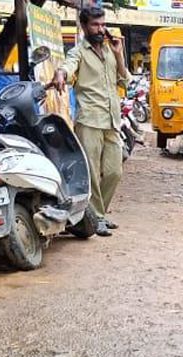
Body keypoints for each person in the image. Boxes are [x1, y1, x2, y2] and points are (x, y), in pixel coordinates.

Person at [53, 7, 130, 237]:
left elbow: (124, 79)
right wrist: (60, 74)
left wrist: (118, 54)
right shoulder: (78, 52)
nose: (100, 29)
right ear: (84, 27)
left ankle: (98, 215)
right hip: (89, 120)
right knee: (92, 174)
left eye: (103, 24)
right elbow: (67, 67)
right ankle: (96, 219)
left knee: (114, 171)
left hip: (112, 120)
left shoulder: (110, 51)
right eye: (95, 25)